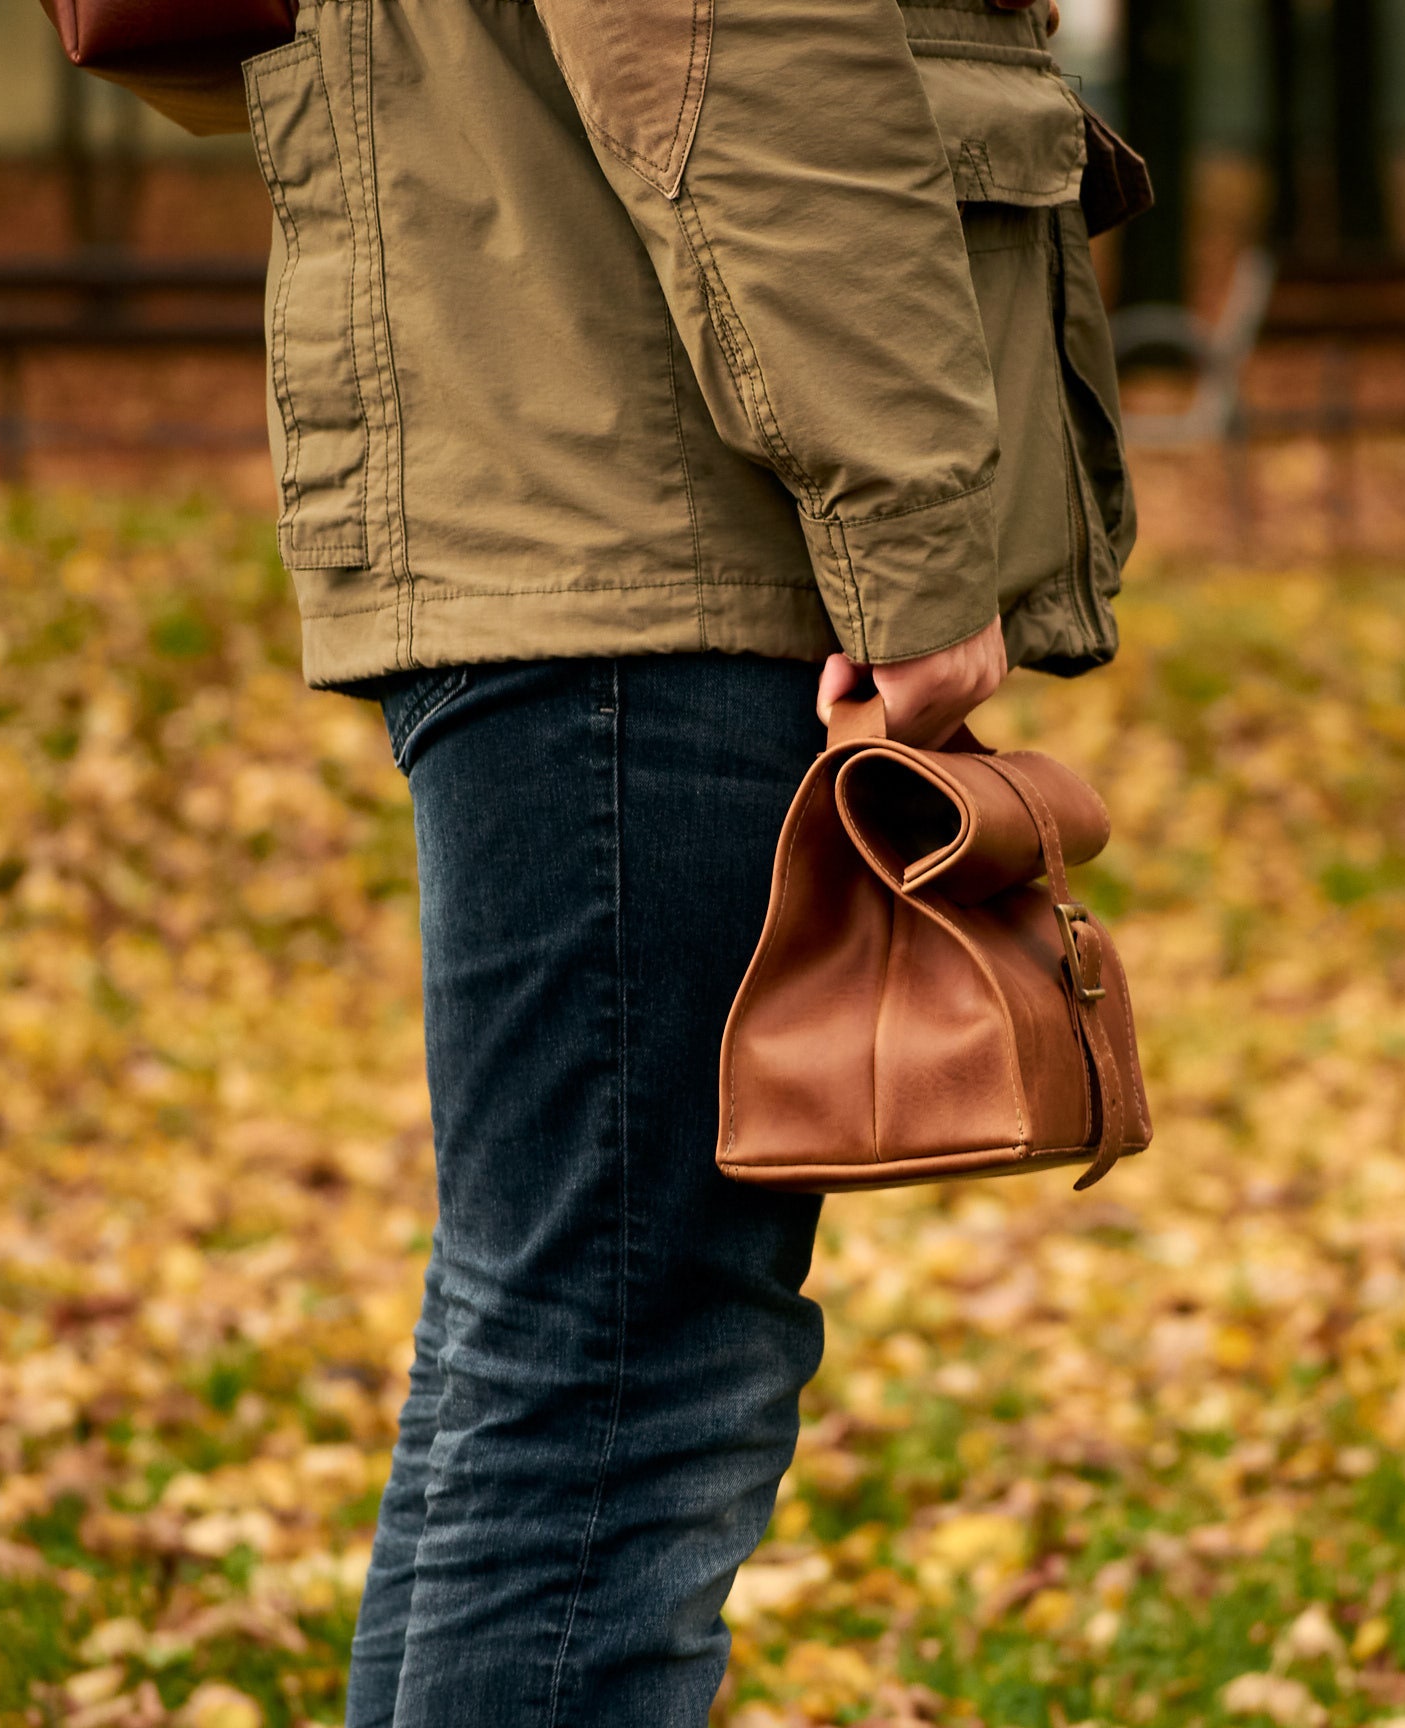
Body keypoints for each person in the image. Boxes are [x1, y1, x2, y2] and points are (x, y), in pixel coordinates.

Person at [238, 0, 1142, 1719]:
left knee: (552, 1341)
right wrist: (914, 548)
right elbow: (742, 50)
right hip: (664, 527)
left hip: (571, 478)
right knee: (619, 1374)